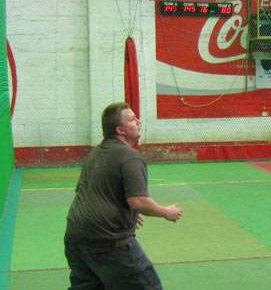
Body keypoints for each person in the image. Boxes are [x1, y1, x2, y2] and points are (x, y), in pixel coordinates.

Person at [64, 102, 183, 290]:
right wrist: (166, 212)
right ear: (120, 130)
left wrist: (124, 214)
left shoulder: (95, 153)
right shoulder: (130, 157)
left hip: (75, 236)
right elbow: (138, 201)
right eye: (132, 119)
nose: (138, 121)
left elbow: (89, 192)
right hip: (107, 240)